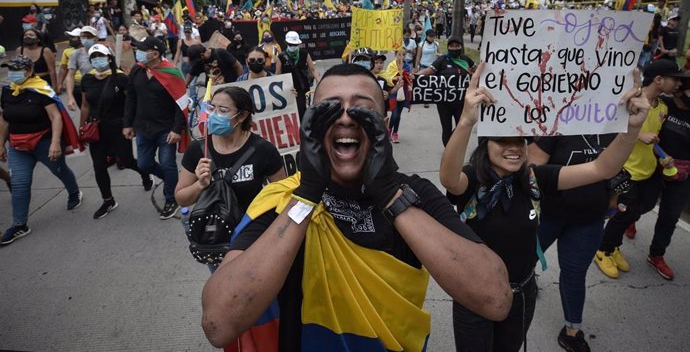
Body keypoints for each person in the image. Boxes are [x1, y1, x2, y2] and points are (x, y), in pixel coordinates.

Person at [200, 63, 512, 350]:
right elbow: (219, 324)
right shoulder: (282, 198)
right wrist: (307, 195)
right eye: (329, 109)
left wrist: (390, 195)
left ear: (384, 122)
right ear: (310, 125)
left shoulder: (413, 193)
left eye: (363, 109)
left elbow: (495, 299)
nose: (346, 117)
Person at [440, 64, 649, 352]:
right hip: (473, 295)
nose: (514, 147)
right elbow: (449, 179)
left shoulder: (537, 177)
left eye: (521, 141)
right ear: (486, 144)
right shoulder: (475, 178)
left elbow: (603, 167)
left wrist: (632, 128)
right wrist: (465, 120)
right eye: (503, 140)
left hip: (521, 295)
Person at [594, 60, 686, 278]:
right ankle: (603, 250)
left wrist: (664, 156)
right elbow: (610, 129)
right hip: (627, 171)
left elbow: (654, 139)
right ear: (658, 79)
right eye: (674, 79)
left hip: (649, 171)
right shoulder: (631, 100)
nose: (677, 85)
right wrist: (639, 135)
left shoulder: (663, 107)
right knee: (623, 212)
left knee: (642, 208)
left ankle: (613, 246)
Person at [528, 132, 618, 351]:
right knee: (523, 260)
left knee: (575, 274)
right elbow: (530, 170)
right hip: (547, 216)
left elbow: (617, 169)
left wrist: (613, 199)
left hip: (589, 219)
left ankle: (572, 331)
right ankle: (525, 281)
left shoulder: (614, 126)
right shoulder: (559, 125)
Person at [0, 56, 83, 245]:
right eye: (10, 68)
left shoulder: (41, 90)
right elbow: (5, 119)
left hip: (43, 142)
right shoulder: (7, 91)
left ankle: (74, 192)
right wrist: (0, 144)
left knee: (59, 170)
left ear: (29, 71)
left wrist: (55, 143)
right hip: (18, 146)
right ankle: (19, 224)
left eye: (16, 69)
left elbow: (56, 117)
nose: (12, 72)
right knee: (20, 183)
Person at [175, 86, 286, 222]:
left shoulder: (263, 150)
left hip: (251, 229)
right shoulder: (198, 149)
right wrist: (199, 185)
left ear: (242, 116)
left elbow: (283, 195)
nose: (214, 115)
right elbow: (181, 199)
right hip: (212, 233)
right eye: (211, 108)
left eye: (222, 111)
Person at [80, 45, 153, 219]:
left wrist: (131, 125)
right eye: (94, 57)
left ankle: (144, 173)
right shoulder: (86, 79)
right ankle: (108, 200)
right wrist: (81, 127)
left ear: (110, 58)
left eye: (101, 56)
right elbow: (85, 105)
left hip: (118, 127)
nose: (97, 59)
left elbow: (131, 102)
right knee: (99, 166)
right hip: (97, 129)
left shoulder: (120, 78)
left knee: (127, 161)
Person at [123, 37, 187, 220]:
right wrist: (127, 124)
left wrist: (176, 129)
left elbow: (180, 104)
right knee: (144, 164)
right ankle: (172, 182)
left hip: (166, 129)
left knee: (167, 163)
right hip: (143, 128)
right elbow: (131, 98)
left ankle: (171, 198)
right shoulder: (137, 70)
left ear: (155, 54)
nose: (139, 52)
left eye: (143, 49)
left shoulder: (172, 73)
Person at [643, 77, 690, 280]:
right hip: (653, 164)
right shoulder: (664, 106)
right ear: (681, 90)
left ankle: (656, 254)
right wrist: (661, 154)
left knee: (670, 216)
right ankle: (628, 221)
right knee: (642, 205)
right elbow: (646, 132)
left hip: (682, 173)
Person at [417, 37, 474, 146]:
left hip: (461, 102)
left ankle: (455, 147)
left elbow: (478, 72)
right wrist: (415, 76)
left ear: (461, 47)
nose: (454, 48)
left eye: (457, 46)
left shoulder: (466, 60)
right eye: (451, 46)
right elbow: (428, 71)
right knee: (446, 128)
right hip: (444, 103)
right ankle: (448, 150)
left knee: (461, 126)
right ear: (448, 47)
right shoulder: (442, 60)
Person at [276, 30, 321, 121]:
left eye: (295, 44)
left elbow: (313, 69)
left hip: (302, 87)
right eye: (291, 44)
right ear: (286, 43)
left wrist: (320, 82)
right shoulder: (281, 56)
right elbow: (278, 74)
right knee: (289, 111)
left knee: (301, 110)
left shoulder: (304, 54)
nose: (293, 46)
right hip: (288, 88)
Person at [65, 26, 101, 111]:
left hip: (104, 89)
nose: (86, 39)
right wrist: (70, 96)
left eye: (90, 37)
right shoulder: (76, 54)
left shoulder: (105, 51)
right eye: (84, 36)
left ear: (96, 38)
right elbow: (70, 76)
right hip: (87, 91)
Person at [57, 28, 82, 94]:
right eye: (70, 37)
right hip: (75, 83)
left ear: (81, 39)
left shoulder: (89, 50)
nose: (70, 39)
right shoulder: (67, 52)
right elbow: (63, 68)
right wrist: (60, 83)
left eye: (73, 37)